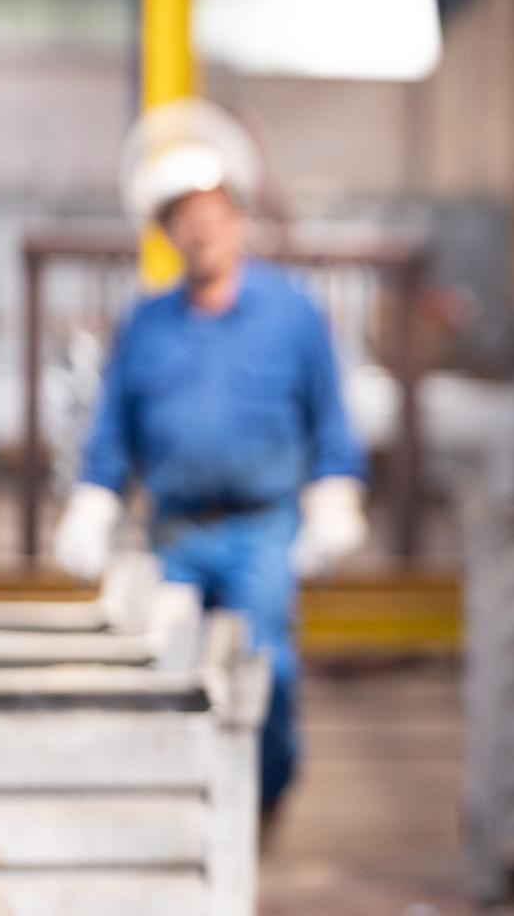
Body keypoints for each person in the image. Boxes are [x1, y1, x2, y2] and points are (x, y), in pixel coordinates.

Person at [52, 98, 368, 815]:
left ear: (240, 217)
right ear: (166, 231)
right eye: (183, 217)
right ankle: (188, 816)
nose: (201, 228)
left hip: (261, 532)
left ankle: (260, 801)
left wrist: (337, 500)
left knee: (266, 677)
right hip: (175, 536)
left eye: (213, 211)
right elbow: (112, 434)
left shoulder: (291, 315)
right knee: (169, 674)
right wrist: (91, 506)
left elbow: (330, 423)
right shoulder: (147, 325)